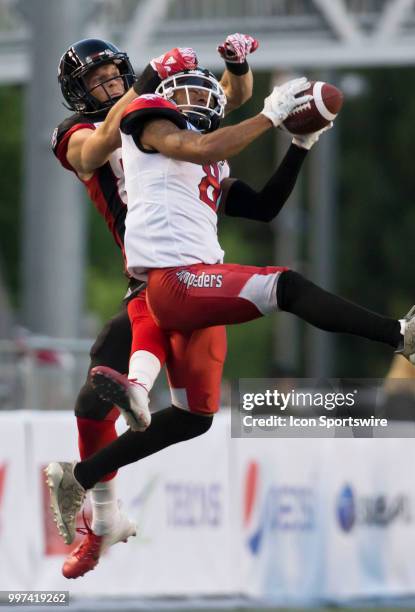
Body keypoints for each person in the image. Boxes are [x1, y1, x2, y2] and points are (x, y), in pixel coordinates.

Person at [46, 68, 415, 555]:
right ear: (160, 100)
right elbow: (198, 144)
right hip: (169, 280)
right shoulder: (150, 130)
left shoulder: (203, 158)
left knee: (195, 416)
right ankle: (402, 335)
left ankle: (82, 474)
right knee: (285, 285)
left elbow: (262, 204)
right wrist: (268, 115)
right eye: (183, 93)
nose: (195, 100)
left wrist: (299, 145)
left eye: (202, 94)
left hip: (187, 283)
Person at [46, 34, 258, 579]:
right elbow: (95, 150)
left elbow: (230, 98)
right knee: (93, 403)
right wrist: (141, 88)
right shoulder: (76, 131)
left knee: (170, 396)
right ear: (78, 93)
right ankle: (105, 518)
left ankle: (135, 402)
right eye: (94, 81)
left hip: (181, 257)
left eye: (112, 73)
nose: (107, 83)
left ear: (124, 69)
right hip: (148, 269)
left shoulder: (157, 96)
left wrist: (236, 64)